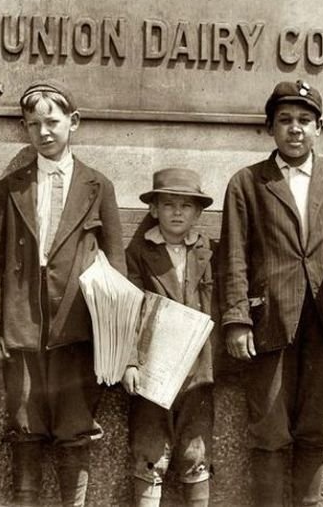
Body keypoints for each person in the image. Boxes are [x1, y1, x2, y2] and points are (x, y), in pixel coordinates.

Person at [218, 80, 323, 506]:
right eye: (285, 120)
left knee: (316, 426)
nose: (295, 128)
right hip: (270, 323)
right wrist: (236, 319)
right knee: (269, 426)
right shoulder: (247, 183)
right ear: (270, 128)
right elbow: (232, 255)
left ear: (320, 128)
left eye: (305, 120)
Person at [0, 79, 126, 507]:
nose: (43, 132)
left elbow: (116, 266)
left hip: (77, 331)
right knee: (25, 427)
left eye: (52, 122)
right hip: (22, 328)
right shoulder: (11, 188)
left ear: (73, 123)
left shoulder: (99, 187)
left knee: (75, 429)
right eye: (33, 124)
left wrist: (118, 342)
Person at [122, 168, 215, 507]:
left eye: (186, 206)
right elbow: (128, 310)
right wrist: (130, 360)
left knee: (196, 448)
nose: (177, 212)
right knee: (149, 449)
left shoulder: (208, 252)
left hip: (197, 371)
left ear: (198, 213)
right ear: (153, 210)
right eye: (169, 205)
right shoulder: (139, 252)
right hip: (153, 370)